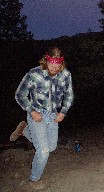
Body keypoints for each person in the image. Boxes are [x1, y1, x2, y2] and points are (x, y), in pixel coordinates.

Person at [10, 46, 74, 189]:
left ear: (61, 63)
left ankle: (24, 130)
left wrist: (63, 112)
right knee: (43, 151)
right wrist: (31, 111)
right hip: (36, 114)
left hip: (53, 115)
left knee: (51, 147)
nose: (54, 68)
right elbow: (20, 94)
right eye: (52, 64)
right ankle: (34, 180)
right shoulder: (34, 74)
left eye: (58, 65)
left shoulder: (65, 74)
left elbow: (69, 96)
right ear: (46, 60)